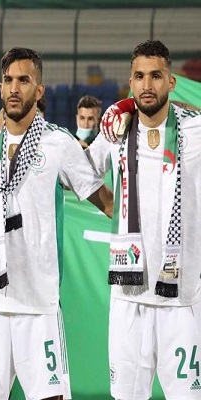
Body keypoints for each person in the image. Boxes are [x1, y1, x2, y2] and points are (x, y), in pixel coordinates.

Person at [0, 47, 113, 400]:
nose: (14, 88)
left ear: (39, 90)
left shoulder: (58, 143)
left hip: (38, 304)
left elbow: (102, 199)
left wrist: (146, 224)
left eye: (24, 80)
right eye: (8, 80)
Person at [90, 39, 201, 400]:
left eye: (156, 76)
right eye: (139, 77)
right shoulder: (114, 131)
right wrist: (109, 205)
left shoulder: (195, 129)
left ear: (171, 82)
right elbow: (79, 174)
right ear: (131, 81)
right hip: (128, 298)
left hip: (182, 299)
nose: (147, 84)